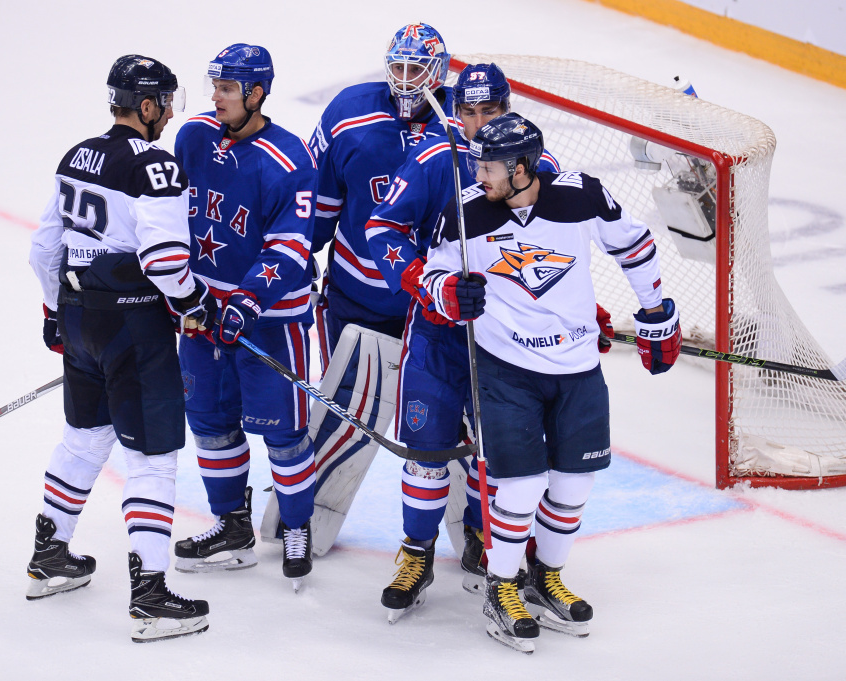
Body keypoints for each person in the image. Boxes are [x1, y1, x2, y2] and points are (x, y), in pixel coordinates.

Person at [423, 113, 681, 652]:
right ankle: (502, 586)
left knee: (573, 484)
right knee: (520, 485)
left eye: (489, 167)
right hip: (505, 368)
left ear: (521, 168)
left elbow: (633, 244)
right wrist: (449, 293)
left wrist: (656, 310)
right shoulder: (465, 212)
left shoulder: (580, 195)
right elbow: (432, 275)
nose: (479, 175)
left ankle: (546, 576)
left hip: (577, 366)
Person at [363, 63, 570, 622]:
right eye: (469, 113)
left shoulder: (541, 167)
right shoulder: (434, 158)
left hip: (507, 340)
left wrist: (578, 309)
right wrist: (421, 282)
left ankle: (488, 543)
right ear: (455, 112)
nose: (479, 125)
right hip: (437, 335)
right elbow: (382, 228)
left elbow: (565, 245)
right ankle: (417, 554)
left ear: (508, 107)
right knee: (426, 452)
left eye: (490, 111)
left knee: (500, 455)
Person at [27, 55, 216, 642]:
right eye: (167, 103)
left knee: (84, 439)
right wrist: (194, 303)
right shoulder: (154, 166)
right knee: (153, 458)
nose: (169, 115)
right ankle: (151, 597)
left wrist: (54, 311)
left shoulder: (76, 155)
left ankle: (49, 557)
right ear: (148, 105)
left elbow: (44, 247)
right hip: (133, 327)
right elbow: (164, 260)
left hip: (79, 315)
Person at [300, 22, 455, 556]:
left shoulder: (464, 124)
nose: (406, 79)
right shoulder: (348, 112)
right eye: (399, 66)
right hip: (356, 298)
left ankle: (476, 530)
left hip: (436, 307)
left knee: (448, 422)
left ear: (439, 72)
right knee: (346, 413)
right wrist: (297, 259)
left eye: (417, 68)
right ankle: (305, 516)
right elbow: (317, 203)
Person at [171, 44, 318, 591]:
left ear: (256, 94)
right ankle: (231, 526)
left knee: (284, 434)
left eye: (227, 88)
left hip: (270, 321)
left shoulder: (289, 159)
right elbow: (169, 214)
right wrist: (174, 289)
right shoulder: (193, 136)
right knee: (210, 424)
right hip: (204, 315)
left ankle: (296, 526)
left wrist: (248, 299)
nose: (217, 97)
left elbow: (291, 246)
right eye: (215, 86)